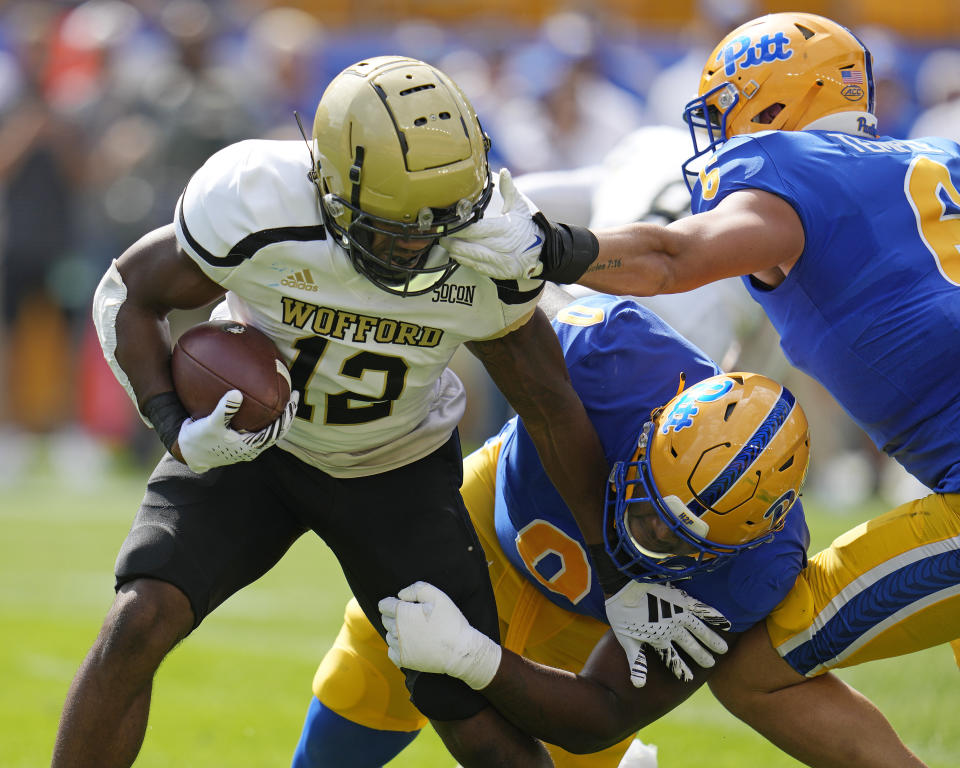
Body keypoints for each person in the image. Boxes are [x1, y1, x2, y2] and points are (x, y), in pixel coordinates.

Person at [54, 56, 618, 768]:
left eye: (436, 224)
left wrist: (611, 564)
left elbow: (550, 405)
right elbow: (132, 291)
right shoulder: (257, 201)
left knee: (466, 701)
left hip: (397, 467)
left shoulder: (487, 252)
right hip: (255, 449)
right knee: (138, 620)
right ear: (327, 181)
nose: (418, 245)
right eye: (395, 226)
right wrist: (175, 427)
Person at [436, 11, 960, 765]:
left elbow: (671, 258)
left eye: (727, 107)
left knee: (753, 675)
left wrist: (546, 250)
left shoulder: (796, 173)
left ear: (779, 103)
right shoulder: (936, 156)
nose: (717, 132)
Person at [292, 288, 813, 768]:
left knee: (574, 751)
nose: (652, 531)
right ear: (653, 424)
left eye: (678, 537)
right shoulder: (608, 354)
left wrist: (471, 657)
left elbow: (605, 712)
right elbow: (496, 310)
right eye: (650, 500)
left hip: (591, 629)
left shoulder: (759, 571)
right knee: (363, 679)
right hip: (498, 516)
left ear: (746, 542)